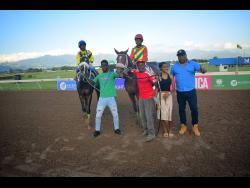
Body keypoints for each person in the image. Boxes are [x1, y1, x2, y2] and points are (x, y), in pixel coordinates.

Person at [170, 49, 207, 136]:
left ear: (186, 55)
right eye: (179, 56)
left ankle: (195, 126)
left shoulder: (193, 64)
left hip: (191, 92)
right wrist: (172, 87)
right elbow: (172, 76)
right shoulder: (174, 66)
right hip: (180, 92)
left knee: (194, 108)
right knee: (181, 109)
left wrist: (203, 69)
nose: (180, 57)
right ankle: (183, 125)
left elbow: (202, 70)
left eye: (182, 55)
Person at [128, 61, 158, 142]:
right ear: (137, 66)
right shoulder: (136, 72)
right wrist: (126, 70)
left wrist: (155, 82)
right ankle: (146, 130)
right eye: (139, 65)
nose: (140, 66)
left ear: (144, 65)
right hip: (141, 97)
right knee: (142, 115)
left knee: (148, 116)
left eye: (142, 64)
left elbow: (155, 83)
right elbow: (128, 71)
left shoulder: (148, 73)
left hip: (148, 97)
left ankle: (152, 134)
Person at [91, 60, 121, 138]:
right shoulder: (99, 76)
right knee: (98, 115)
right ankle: (97, 130)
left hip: (111, 98)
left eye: (105, 65)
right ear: (101, 67)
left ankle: (117, 129)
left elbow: (119, 75)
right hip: (102, 99)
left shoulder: (112, 74)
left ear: (107, 66)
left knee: (115, 114)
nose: (104, 67)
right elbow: (92, 82)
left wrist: (120, 70)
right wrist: (83, 77)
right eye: (102, 65)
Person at [156, 62, 175, 138]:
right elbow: (156, 89)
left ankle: (170, 130)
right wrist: (156, 100)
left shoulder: (170, 76)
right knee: (162, 113)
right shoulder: (158, 77)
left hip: (169, 95)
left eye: (167, 67)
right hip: (160, 95)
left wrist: (169, 93)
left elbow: (173, 88)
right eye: (164, 67)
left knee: (169, 113)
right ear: (160, 68)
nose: (166, 68)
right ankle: (165, 130)